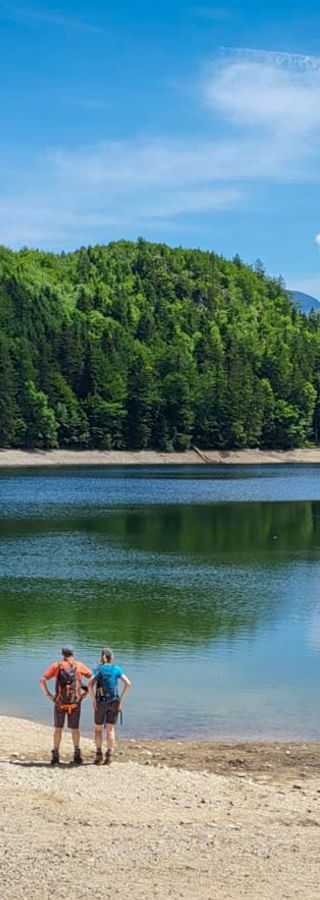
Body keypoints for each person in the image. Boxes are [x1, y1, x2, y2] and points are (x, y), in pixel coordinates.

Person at [39, 646, 92, 766]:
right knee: (75, 729)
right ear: (73, 653)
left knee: (58, 729)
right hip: (75, 703)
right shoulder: (79, 666)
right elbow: (93, 678)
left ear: (62, 654)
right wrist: (86, 693)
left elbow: (42, 680)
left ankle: (56, 755)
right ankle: (77, 754)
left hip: (60, 703)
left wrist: (49, 695)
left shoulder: (56, 666)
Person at [89, 647, 131, 766]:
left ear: (101, 657)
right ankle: (109, 756)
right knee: (110, 729)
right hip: (114, 702)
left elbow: (89, 685)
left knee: (98, 729)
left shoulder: (98, 669)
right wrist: (121, 700)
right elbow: (128, 684)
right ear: (112, 657)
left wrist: (93, 700)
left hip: (100, 703)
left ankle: (98, 754)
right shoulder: (116, 669)